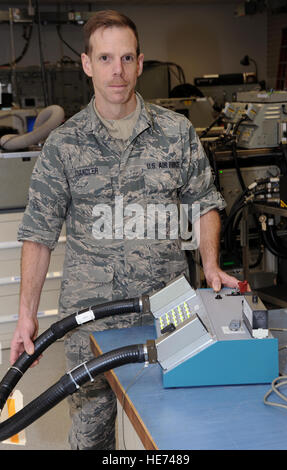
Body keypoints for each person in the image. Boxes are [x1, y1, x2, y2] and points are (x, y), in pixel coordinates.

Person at [10, 10, 239, 449]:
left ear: (140, 62)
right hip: (91, 324)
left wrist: (211, 266)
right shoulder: (64, 144)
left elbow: (205, 202)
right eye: (105, 57)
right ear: (86, 63)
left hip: (166, 315)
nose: (117, 70)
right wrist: (26, 316)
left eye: (126, 58)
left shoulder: (176, 132)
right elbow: (38, 233)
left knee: (171, 429)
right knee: (92, 434)